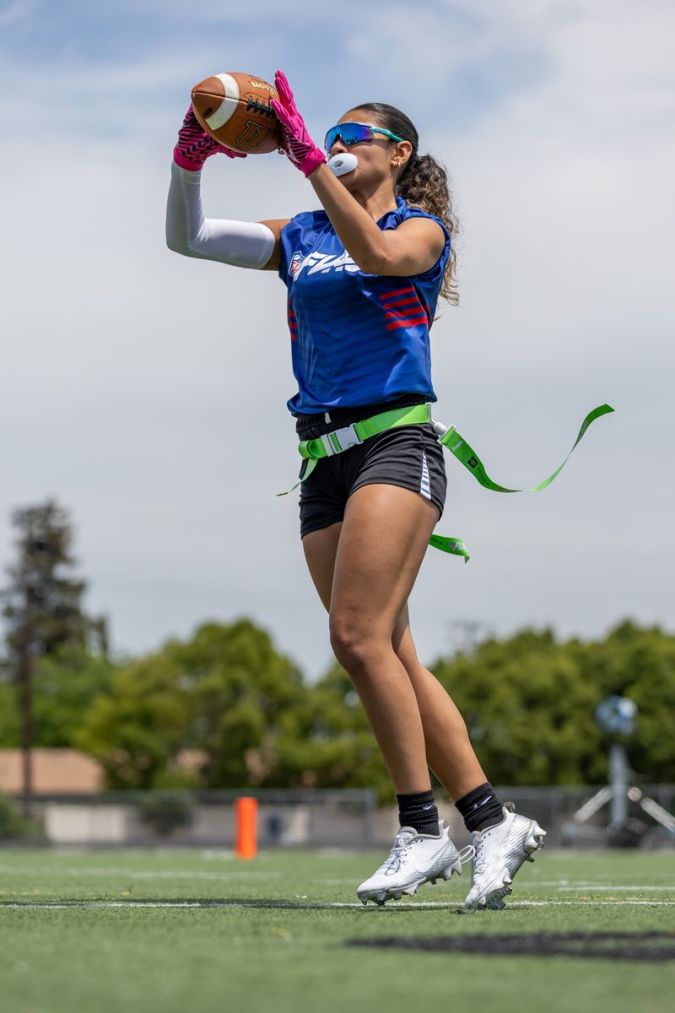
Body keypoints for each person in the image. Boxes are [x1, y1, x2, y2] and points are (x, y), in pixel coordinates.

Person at [166, 70, 545, 909]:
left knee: (355, 636)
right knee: (389, 650)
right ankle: (488, 820)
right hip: (320, 458)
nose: (334, 144)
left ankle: (419, 829)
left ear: (398, 154)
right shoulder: (301, 231)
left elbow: (375, 255)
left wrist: (306, 158)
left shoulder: (419, 227)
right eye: (324, 134)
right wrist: (188, 163)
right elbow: (187, 239)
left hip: (393, 443)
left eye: (351, 136)